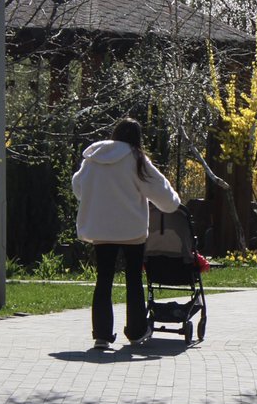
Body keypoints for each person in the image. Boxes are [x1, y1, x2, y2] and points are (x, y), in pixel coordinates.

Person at [72, 117, 180, 349]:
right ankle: (136, 330)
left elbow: (78, 186)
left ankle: (101, 334)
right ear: (137, 138)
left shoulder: (94, 157)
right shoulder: (135, 158)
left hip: (101, 229)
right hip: (132, 230)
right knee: (133, 279)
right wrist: (173, 204)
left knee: (104, 279)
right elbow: (159, 189)